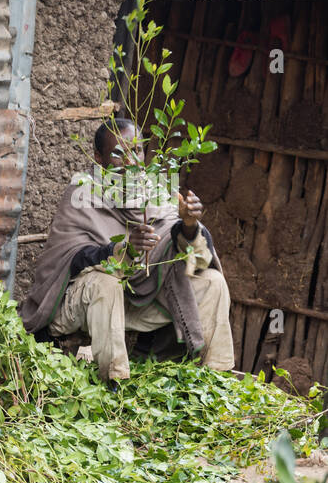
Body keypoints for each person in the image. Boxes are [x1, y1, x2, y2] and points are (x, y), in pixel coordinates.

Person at [19, 118, 234, 388]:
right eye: (119, 153)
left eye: (137, 151)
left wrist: (188, 227)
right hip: (85, 304)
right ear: (98, 158)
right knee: (106, 283)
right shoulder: (84, 193)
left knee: (212, 282)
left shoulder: (156, 191)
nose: (132, 161)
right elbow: (75, 259)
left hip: (140, 298)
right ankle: (115, 385)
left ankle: (215, 381)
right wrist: (126, 248)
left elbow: (194, 258)